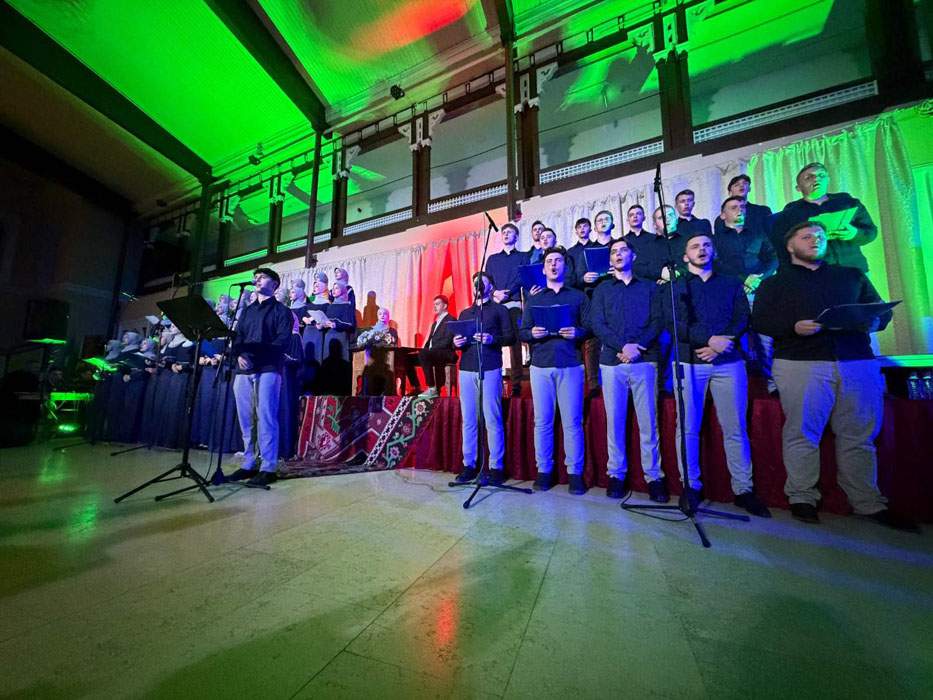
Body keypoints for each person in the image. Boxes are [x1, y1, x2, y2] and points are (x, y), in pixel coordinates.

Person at [752, 221, 916, 531]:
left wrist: (875, 321)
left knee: (859, 435)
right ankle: (802, 497)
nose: (815, 240)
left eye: (820, 236)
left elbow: (881, 311)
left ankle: (867, 501)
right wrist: (792, 327)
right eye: (806, 236)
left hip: (855, 361)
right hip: (801, 361)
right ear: (790, 245)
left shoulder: (851, 275)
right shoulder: (774, 283)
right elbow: (760, 321)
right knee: (802, 432)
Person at [668, 233, 771, 517]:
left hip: (729, 361)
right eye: (694, 246)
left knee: (735, 427)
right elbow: (673, 322)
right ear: (685, 256)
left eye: (706, 245)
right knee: (687, 428)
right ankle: (690, 487)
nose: (701, 249)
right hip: (690, 361)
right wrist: (708, 340)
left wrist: (721, 343)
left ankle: (743, 489)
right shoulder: (676, 288)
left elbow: (741, 317)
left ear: (714, 251)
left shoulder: (731, 283)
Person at [590, 239, 668, 501]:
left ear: (633, 255)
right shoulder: (602, 289)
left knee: (648, 423)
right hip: (612, 361)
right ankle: (616, 474)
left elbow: (658, 320)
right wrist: (622, 346)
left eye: (623, 250)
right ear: (610, 259)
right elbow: (597, 323)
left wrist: (638, 346)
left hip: (644, 360)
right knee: (615, 423)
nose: (618, 254)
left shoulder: (649, 287)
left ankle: (654, 476)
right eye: (613, 252)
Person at [519, 247, 590, 495]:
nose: (553, 264)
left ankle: (575, 473)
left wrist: (577, 332)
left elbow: (589, 327)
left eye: (558, 261)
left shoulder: (578, 296)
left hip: (570, 363)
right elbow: (523, 331)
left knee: (573, 422)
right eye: (549, 261)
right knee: (542, 422)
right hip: (541, 364)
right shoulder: (534, 299)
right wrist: (532, 334)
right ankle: (544, 470)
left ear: (565, 267)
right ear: (543, 269)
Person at [228, 267, 294, 487]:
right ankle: (249, 463)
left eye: (262, 277)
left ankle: (268, 466)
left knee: (265, 416)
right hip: (244, 368)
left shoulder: (282, 311)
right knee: (245, 418)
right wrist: (239, 355)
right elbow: (238, 337)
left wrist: (256, 355)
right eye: (255, 277)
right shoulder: (247, 311)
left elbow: (282, 341)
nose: (257, 279)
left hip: (268, 367)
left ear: (275, 284)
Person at [452, 272, 515, 485]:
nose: (478, 285)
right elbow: (457, 339)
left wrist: (491, 339)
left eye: (482, 282)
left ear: (491, 286)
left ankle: (496, 467)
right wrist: (456, 342)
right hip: (466, 368)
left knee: (492, 418)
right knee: (469, 419)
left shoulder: (500, 310)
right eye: (475, 282)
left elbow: (510, 337)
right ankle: (469, 464)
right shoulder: (465, 312)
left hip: (490, 366)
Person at [770, 162, 877, 272]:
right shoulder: (790, 213)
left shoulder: (848, 202)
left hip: (854, 269)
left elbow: (871, 232)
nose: (816, 179)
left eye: (821, 175)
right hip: (815, 274)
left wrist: (854, 233)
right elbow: (781, 247)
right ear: (798, 187)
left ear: (827, 180)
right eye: (809, 177)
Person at [486, 222, 530, 397]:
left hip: (513, 304)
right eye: (504, 232)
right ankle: (494, 380)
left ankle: (516, 383)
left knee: (515, 343)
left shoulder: (523, 257)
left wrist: (508, 293)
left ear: (516, 237)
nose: (506, 234)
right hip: (496, 304)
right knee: (493, 340)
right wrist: (495, 293)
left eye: (510, 232)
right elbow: (487, 279)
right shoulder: (492, 259)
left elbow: (522, 278)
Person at [714, 197, 777, 292]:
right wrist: (744, 279)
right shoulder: (715, 239)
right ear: (723, 215)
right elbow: (716, 265)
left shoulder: (758, 235)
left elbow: (774, 257)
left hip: (759, 287)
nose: (740, 210)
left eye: (742, 207)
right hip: (729, 289)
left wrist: (759, 279)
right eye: (734, 208)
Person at [319, 280, 357, 396]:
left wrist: (335, 324)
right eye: (333, 288)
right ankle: (327, 391)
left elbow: (350, 324)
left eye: (337, 288)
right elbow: (326, 320)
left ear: (343, 290)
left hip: (340, 336)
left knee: (340, 363)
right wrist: (321, 325)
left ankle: (340, 392)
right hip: (328, 337)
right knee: (328, 362)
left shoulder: (347, 306)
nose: (333, 290)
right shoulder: (330, 306)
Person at [416, 295, 457, 399]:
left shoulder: (451, 319)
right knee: (407, 358)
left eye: (437, 304)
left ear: (445, 306)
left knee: (424, 353)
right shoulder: (435, 323)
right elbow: (430, 341)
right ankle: (415, 386)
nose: (434, 306)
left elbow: (447, 341)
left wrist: (428, 350)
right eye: (434, 304)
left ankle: (432, 388)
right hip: (434, 352)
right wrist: (423, 349)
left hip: (446, 352)